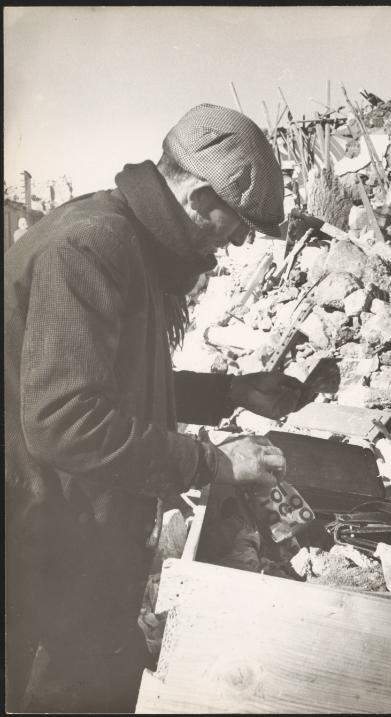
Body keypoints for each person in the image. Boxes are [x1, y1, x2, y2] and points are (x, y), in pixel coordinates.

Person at [5, 104, 310, 713]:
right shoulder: (91, 245)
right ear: (199, 197)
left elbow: (115, 379)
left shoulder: (126, 238)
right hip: (31, 526)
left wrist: (231, 392)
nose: (241, 241)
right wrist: (213, 464)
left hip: (58, 517)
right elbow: (66, 418)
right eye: (239, 223)